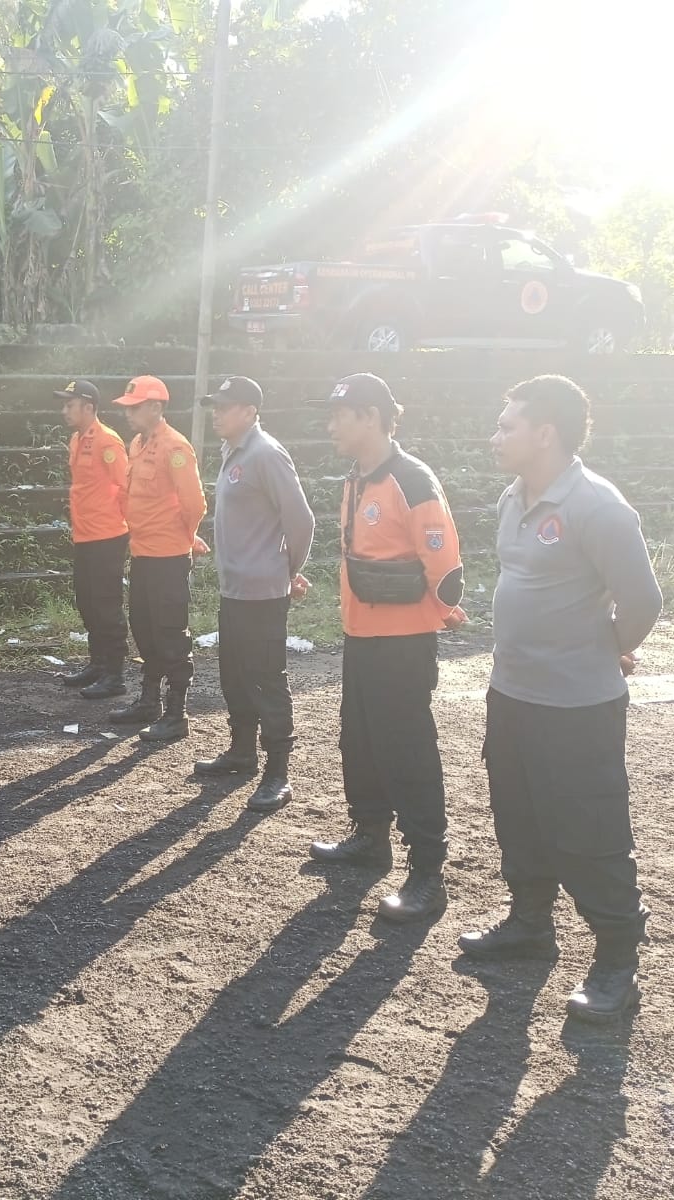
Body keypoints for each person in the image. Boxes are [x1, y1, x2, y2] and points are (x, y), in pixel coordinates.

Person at [460, 374, 662, 1023]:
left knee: (589, 832)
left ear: (544, 433)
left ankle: (616, 964)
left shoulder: (598, 506)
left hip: (577, 709)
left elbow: (642, 600)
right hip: (512, 695)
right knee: (517, 815)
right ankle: (529, 924)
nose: (494, 437)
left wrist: (605, 648)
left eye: (506, 426)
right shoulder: (511, 497)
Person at [308, 373, 466, 923]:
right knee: (360, 740)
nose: (330, 425)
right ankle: (370, 835)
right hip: (361, 636)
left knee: (407, 751)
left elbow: (445, 564)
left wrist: (442, 612)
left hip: (402, 644)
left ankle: (428, 873)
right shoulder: (356, 478)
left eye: (339, 415)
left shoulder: (412, 479)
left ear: (370, 417)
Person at [192, 377, 316, 813]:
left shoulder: (266, 453)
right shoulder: (233, 451)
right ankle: (242, 751)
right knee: (235, 675)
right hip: (235, 590)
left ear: (249, 411)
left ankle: (278, 773)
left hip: (262, 593)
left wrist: (287, 571)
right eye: (215, 406)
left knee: (266, 678)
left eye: (224, 407)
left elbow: (301, 521)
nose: (216, 413)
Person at [107, 375, 208, 742]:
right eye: (127, 407)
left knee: (170, 634)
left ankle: (177, 714)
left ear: (155, 407)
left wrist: (185, 537)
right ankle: (149, 701)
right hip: (142, 554)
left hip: (168, 558)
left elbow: (195, 504)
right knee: (144, 629)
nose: (128, 413)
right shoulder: (137, 443)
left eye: (134, 407)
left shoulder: (175, 447)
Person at [53, 379, 131, 699]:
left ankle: (115, 674)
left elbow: (125, 487)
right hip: (84, 535)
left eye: (70, 404)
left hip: (108, 536)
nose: (64, 410)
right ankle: (98, 664)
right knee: (86, 601)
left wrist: (132, 528)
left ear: (88, 407)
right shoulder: (76, 439)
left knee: (106, 605)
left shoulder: (107, 441)